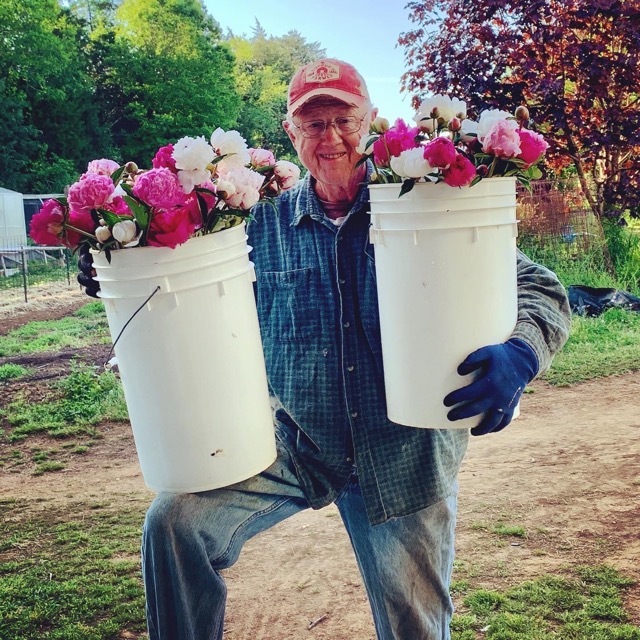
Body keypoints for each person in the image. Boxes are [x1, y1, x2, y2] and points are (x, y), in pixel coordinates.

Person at [79, 59, 571, 639]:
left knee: (416, 627)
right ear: (291, 133)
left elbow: (541, 289)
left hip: (402, 456)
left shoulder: (423, 208)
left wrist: (521, 354)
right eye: (313, 124)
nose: (330, 136)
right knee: (174, 523)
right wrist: (123, 261)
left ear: (369, 124)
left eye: (343, 119)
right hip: (294, 446)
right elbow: (181, 287)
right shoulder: (253, 230)